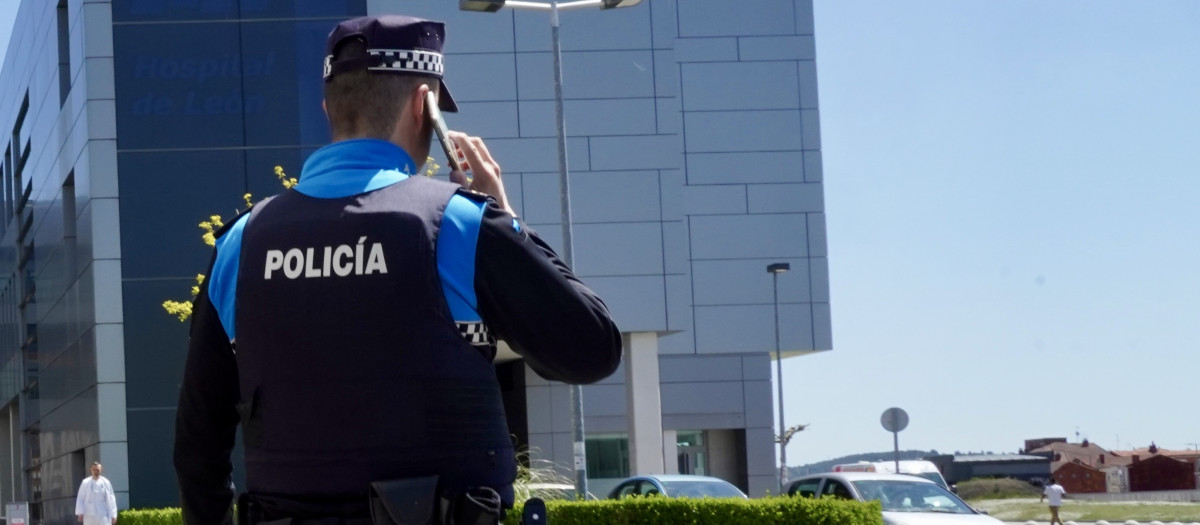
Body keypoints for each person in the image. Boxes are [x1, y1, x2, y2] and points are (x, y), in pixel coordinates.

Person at [173, 14, 622, 525]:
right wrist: (507, 220)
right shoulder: (460, 224)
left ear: (328, 110)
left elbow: (197, 446)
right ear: (423, 105)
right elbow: (592, 349)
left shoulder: (240, 241)